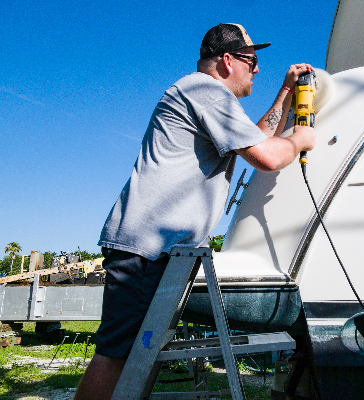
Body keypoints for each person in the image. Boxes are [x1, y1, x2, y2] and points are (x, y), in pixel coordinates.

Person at [74, 23, 315, 400]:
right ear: (226, 60)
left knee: (139, 353)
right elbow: (267, 156)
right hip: (147, 248)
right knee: (118, 355)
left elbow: (257, 138)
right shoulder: (205, 90)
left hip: (160, 249)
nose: (257, 69)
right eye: (251, 61)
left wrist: (285, 93)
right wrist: (301, 138)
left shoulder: (205, 96)